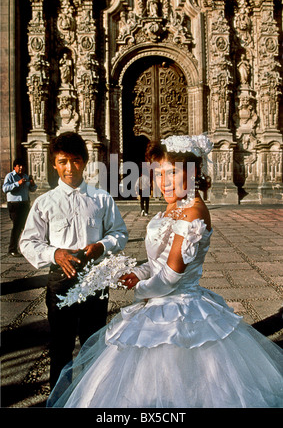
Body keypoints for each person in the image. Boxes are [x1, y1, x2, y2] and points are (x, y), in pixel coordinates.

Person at [47, 134, 283, 408]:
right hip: (158, 300)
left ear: (193, 173)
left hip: (181, 309)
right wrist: (137, 272)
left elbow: (171, 275)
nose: (164, 180)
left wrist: (139, 290)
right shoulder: (172, 208)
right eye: (158, 173)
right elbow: (157, 263)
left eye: (173, 172)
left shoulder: (193, 213)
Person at [19, 132, 128, 389]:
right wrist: (54, 253)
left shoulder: (101, 199)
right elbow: (28, 242)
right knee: (61, 345)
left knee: (94, 342)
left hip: (95, 280)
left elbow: (119, 233)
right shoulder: (45, 203)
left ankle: (93, 395)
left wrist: (103, 245)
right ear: (54, 164)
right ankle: (61, 397)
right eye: (63, 161)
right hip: (61, 280)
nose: (70, 168)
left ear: (86, 161)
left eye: (76, 161)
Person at [2, 158, 37, 257]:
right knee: (17, 227)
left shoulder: (25, 176)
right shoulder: (10, 176)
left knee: (27, 226)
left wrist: (32, 183)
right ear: (15, 167)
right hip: (14, 204)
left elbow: (32, 189)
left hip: (25, 204)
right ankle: (12, 249)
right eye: (19, 166)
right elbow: (5, 188)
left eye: (23, 166)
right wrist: (18, 183)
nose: (21, 168)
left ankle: (27, 248)